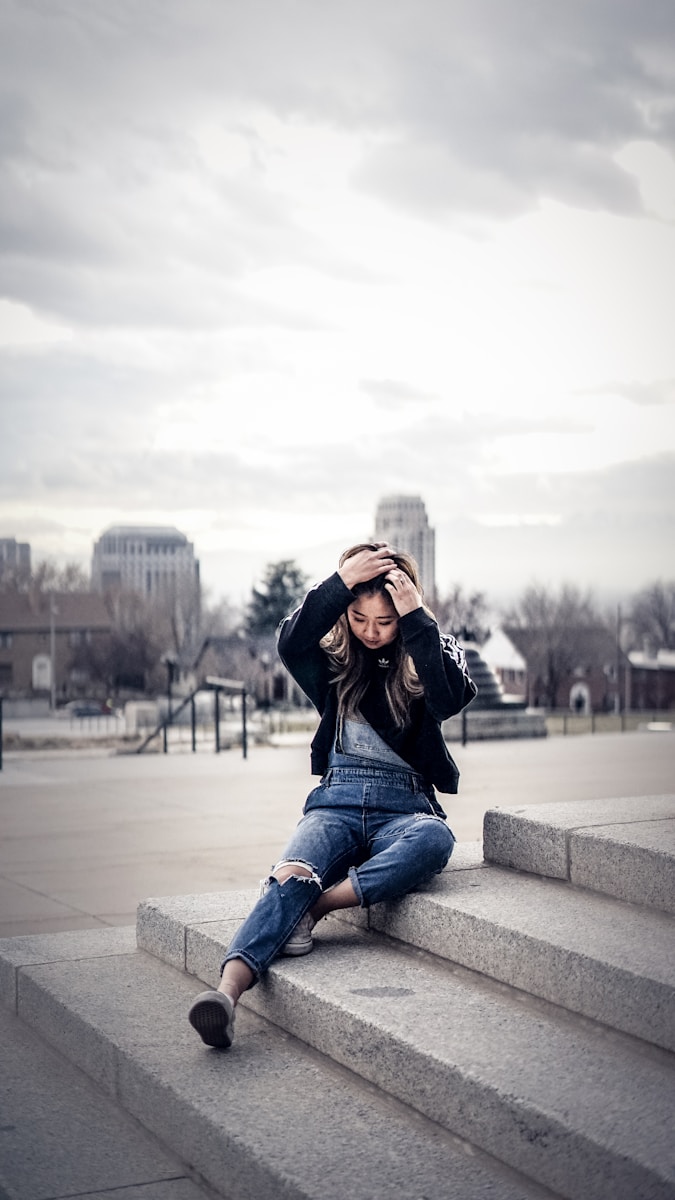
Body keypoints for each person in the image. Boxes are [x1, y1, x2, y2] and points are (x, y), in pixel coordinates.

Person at [188, 541, 477, 1049]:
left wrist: (416, 619)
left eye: (385, 621)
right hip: (335, 801)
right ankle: (225, 995)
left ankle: (316, 906)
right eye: (359, 618)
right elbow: (289, 642)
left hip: (405, 806)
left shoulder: (430, 647)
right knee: (289, 875)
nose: (371, 631)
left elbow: (450, 698)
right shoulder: (332, 658)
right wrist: (340, 582)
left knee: (435, 840)